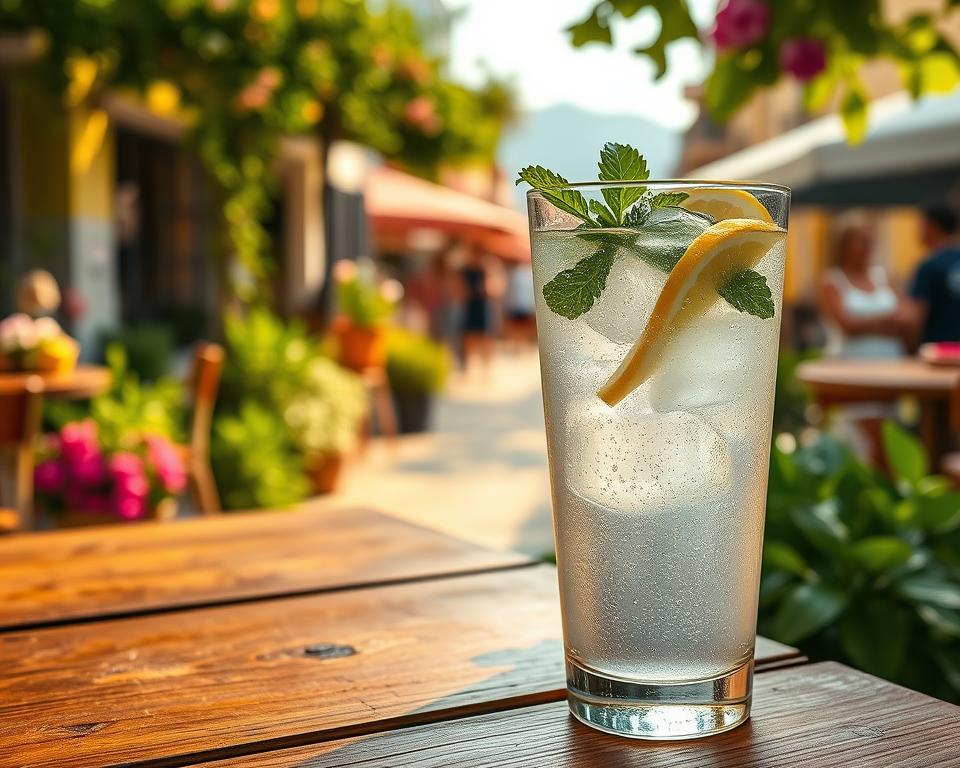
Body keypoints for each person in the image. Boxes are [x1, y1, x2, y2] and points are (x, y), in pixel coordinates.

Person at [817, 218, 915, 467]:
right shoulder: (832, 280)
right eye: (861, 239)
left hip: (891, 373)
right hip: (852, 373)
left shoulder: (884, 276)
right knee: (867, 441)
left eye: (870, 239)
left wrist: (870, 324)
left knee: (890, 441)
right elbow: (847, 325)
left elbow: (909, 317)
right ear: (844, 244)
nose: (868, 245)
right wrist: (889, 320)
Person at [910, 207, 960, 344]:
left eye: (921, 226)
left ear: (932, 227)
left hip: (939, 350)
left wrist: (911, 348)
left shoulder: (929, 267)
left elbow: (918, 316)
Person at [460, 246, 493, 375]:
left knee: (484, 338)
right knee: (469, 338)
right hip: (470, 306)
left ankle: (485, 370)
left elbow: (491, 290)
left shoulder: (484, 271)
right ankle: (469, 369)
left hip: (482, 306)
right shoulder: (466, 271)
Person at [504, 264, 536, 350]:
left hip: (525, 305)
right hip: (517, 304)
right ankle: (519, 345)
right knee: (517, 327)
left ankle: (522, 345)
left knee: (525, 327)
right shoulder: (515, 272)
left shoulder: (524, 272)